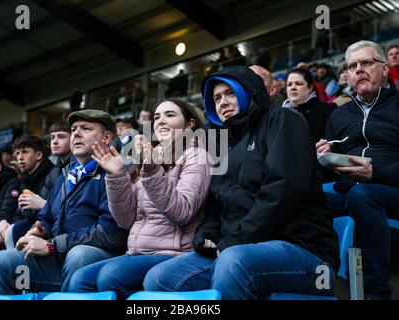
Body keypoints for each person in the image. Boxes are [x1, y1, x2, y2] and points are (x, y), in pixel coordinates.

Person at [144, 66, 339, 300]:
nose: (222, 102)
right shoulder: (225, 146)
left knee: (234, 261)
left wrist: (235, 241)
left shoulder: (284, 119)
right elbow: (216, 204)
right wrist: (207, 236)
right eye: (216, 98)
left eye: (230, 93)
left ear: (249, 92)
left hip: (305, 251)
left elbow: (283, 189)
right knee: (159, 278)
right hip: (239, 248)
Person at [67, 99, 211, 299]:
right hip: (136, 252)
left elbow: (181, 212)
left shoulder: (197, 156)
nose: (160, 121)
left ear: (189, 124)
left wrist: (152, 171)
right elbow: (125, 220)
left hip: (172, 253)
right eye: (157, 117)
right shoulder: (148, 157)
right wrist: (117, 175)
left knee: (111, 277)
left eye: (169, 115)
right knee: (80, 279)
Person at [0, 110, 128, 295]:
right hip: (59, 258)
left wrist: (53, 245)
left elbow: (111, 234)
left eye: (86, 128)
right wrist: (41, 229)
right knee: (4, 262)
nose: (76, 133)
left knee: (79, 255)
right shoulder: (66, 175)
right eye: (74, 129)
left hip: (97, 261)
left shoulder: (114, 173)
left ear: (107, 137)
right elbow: (47, 216)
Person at [316, 40, 399, 300]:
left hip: (391, 188)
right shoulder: (340, 115)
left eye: (366, 63)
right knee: (301, 196)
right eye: (352, 66)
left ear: (385, 69)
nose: (359, 70)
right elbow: (328, 172)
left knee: (363, 196)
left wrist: (376, 174)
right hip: (349, 189)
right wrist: (322, 156)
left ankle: (374, 291)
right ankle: (316, 276)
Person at [0, 135, 55, 252]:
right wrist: (6, 224)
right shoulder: (24, 179)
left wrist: (42, 204)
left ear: (38, 155)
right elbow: (18, 211)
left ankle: (14, 267)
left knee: (12, 230)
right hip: (26, 223)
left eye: (24, 152)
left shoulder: (53, 174)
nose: (20, 157)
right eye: (18, 153)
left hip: (45, 226)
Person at [282, 68, 336, 143]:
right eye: (289, 84)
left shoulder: (328, 110)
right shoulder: (278, 115)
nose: (293, 87)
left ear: (310, 87)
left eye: (298, 84)